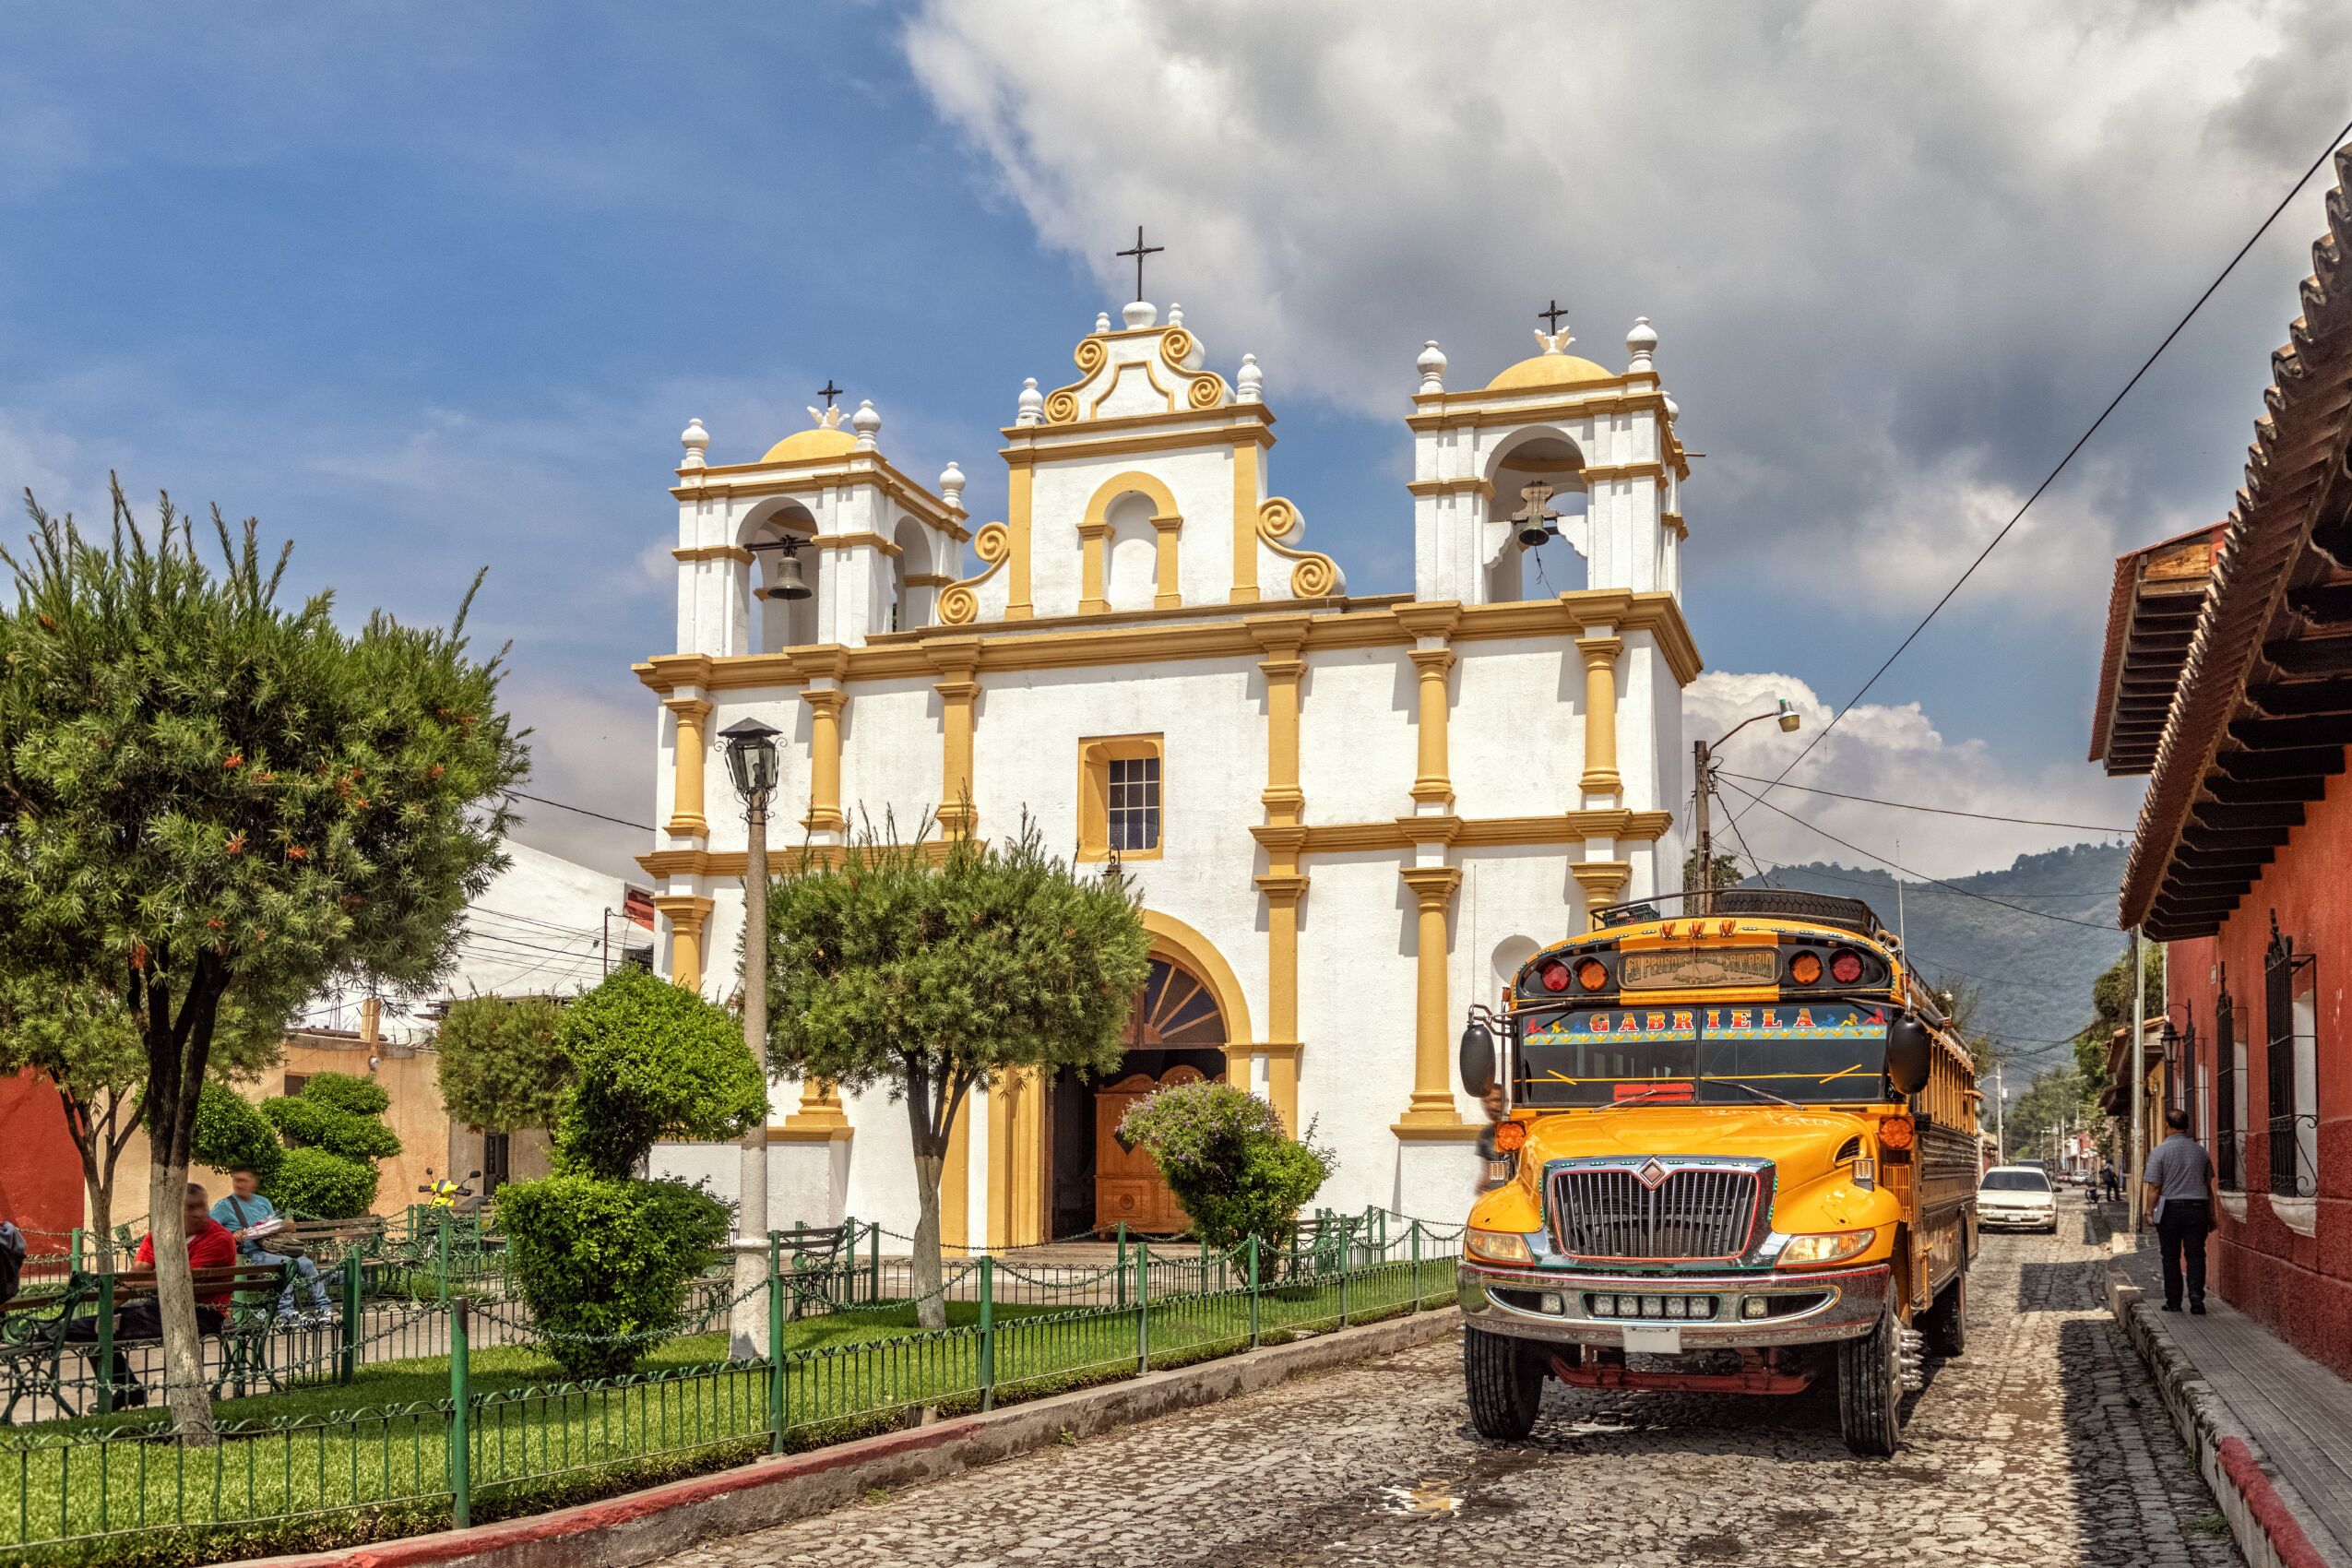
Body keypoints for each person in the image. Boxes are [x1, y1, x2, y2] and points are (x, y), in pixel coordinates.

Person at [65, 1182, 239, 1408]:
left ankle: (43, 1333)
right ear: (172, 1209)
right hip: (162, 1307)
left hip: (201, 1315)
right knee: (96, 1325)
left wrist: (115, 1305)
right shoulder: (160, 1233)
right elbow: (138, 1273)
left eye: (203, 1206)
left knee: (91, 1328)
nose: (199, 1213)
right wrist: (108, 1309)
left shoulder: (218, 1239)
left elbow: (178, 1282)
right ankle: (129, 1390)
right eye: (191, 1207)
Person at [213, 1167, 334, 1322]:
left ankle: (324, 1308)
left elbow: (273, 1223)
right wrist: (231, 1235)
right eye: (236, 1180)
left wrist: (283, 1225)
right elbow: (210, 1230)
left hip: (273, 1248)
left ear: (253, 1183)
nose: (239, 1184)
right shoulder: (224, 1205)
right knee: (287, 1264)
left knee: (307, 1263)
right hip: (251, 1254)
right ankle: (286, 1313)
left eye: (243, 1180)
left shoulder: (263, 1202)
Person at [2142, 1108, 2215, 1314]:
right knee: (2196, 1255)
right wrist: (2212, 1215)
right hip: (2198, 1208)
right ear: (2187, 1126)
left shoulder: (2159, 1152)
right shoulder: (2201, 1152)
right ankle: (2196, 1298)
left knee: (2170, 1256)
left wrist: (2149, 1211)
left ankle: (2173, 1301)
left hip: (2170, 1210)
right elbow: (2208, 1187)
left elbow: (2154, 1186)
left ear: (2166, 1126)